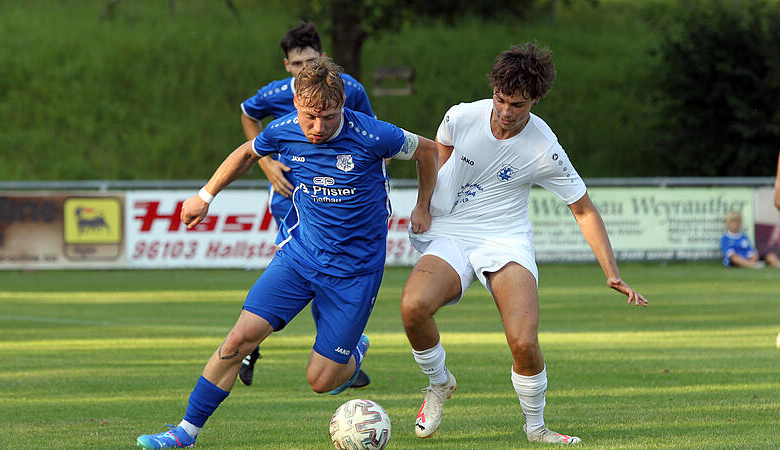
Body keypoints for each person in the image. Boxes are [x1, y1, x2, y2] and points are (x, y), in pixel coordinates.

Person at [135, 57, 438, 449]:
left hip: (355, 274)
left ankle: (353, 351)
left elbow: (428, 151)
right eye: (310, 116)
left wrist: (423, 205)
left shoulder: (374, 134)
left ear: (343, 105)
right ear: (296, 103)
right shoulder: (283, 130)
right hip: (299, 258)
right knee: (238, 340)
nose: (318, 127)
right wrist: (205, 195)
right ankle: (184, 434)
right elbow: (247, 152)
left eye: (328, 117)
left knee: (321, 381)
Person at [399, 42, 648, 445]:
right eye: (500, 99)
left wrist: (612, 273)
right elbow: (436, 155)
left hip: (505, 238)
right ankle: (440, 382)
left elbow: (583, 210)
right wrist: (425, 205)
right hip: (451, 233)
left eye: (517, 104)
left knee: (524, 341)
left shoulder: (544, 148)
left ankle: (536, 428)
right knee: (413, 307)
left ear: (535, 99)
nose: (505, 111)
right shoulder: (460, 116)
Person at [238, 21, 375, 388]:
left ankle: (337, 350)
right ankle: (253, 345)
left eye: (310, 61)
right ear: (286, 66)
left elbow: (373, 136)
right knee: (302, 268)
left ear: (323, 58)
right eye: (297, 65)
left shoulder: (349, 91)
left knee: (323, 272)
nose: (304, 71)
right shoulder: (278, 94)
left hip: (336, 198)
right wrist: (267, 163)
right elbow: (248, 114)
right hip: (289, 196)